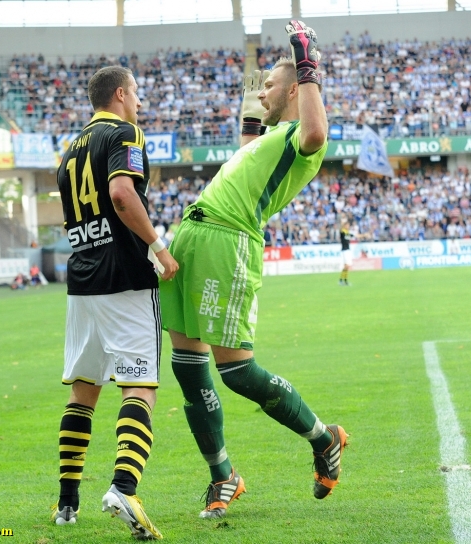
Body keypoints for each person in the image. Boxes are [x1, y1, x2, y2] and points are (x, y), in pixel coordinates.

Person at [159, 20, 348, 520]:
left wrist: (305, 61)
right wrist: (252, 115)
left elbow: (314, 129)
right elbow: (245, 154)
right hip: (193, 236)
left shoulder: (300, 138)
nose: (259, 91)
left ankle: (323, 436)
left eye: (268, 86)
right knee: (186, 366)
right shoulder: (270, 139)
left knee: (237, 370)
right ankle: (223, 476)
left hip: (229, 243)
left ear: (292, 90)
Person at [51, 65, 178, 541]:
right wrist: (158, 246)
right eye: (138, 93)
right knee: (140, 386)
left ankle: (67, 502)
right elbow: (122, 194)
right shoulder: (125, 133)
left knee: (83, 390)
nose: (140, 102)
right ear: (121, 94)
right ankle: (124, 488)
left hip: (82, 279)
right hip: (124, 276)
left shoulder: (68, 153)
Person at [339, 220, 353, 286]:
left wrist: (364, 235)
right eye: (347, 225)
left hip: (347, 250)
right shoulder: (343, 232)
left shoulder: (347, 232)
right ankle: (343, 281)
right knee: (347, 265)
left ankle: (343, 280)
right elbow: (341, 229)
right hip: (345, 250)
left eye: (348, 225)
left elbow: (354, 236)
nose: (348, 226)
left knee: (346, 266)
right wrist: (342, 223)